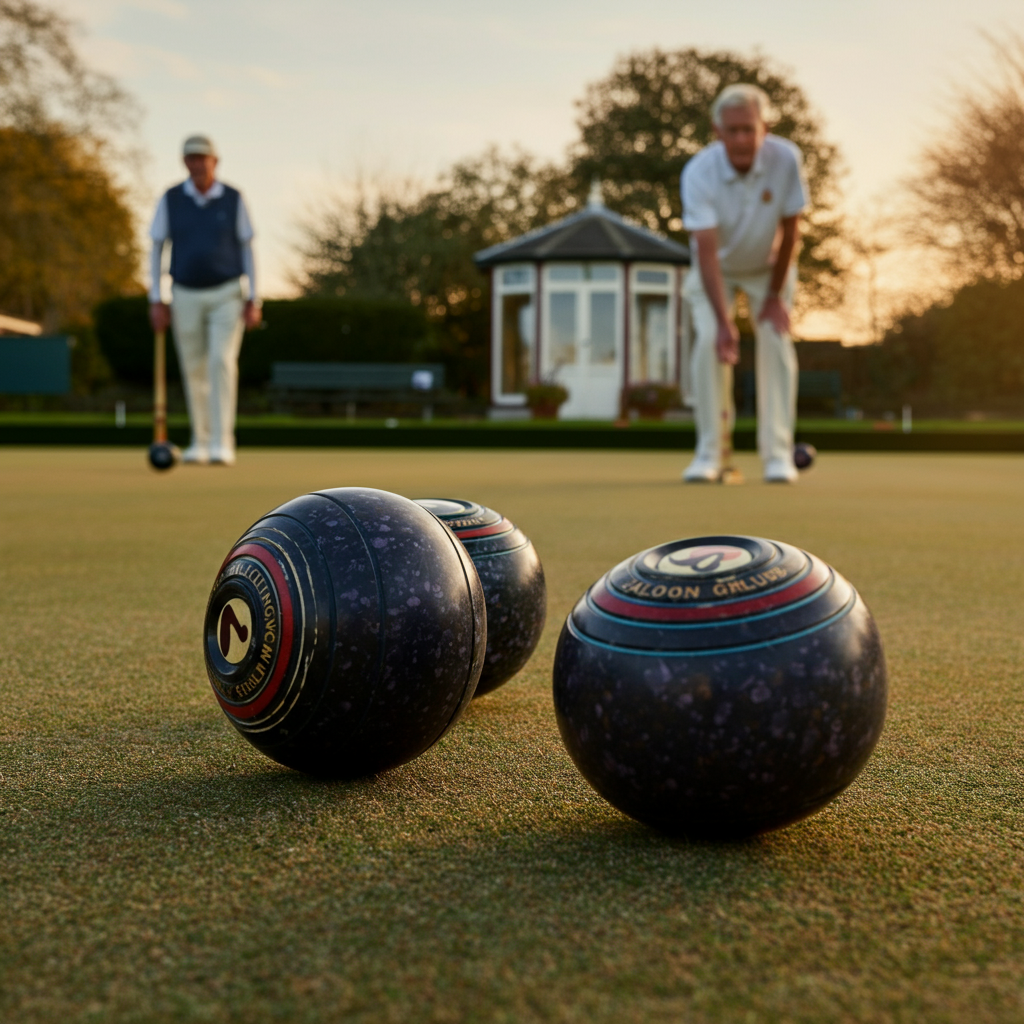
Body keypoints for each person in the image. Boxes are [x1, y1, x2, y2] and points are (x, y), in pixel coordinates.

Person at [680, 84, 808, 484]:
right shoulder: (699, 172)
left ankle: (778, 455)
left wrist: (773, 296)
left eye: (748, 129)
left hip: (768, 269)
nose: (740, 139)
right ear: (717, 130)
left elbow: (792, 232)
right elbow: (705, 251)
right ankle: (710, 453)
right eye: (732, 130)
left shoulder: (786, 159)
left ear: (764, 128)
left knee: (775, 339)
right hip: (715, 269)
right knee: (709, 343)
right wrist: (724, 322)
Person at [148, 135, 260, 465]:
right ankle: (201, 441)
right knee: (193, 366)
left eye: (202, 158)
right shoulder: (171, 198)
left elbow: (248, 247)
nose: (196, 164)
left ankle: (222, 442)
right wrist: (156, 299)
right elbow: (156, 246)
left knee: (220, 361)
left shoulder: (233, 197)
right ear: (185, 162)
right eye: (191, 158)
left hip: (227, 292)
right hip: (184, 292)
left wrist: (254, 297)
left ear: (214, 161)